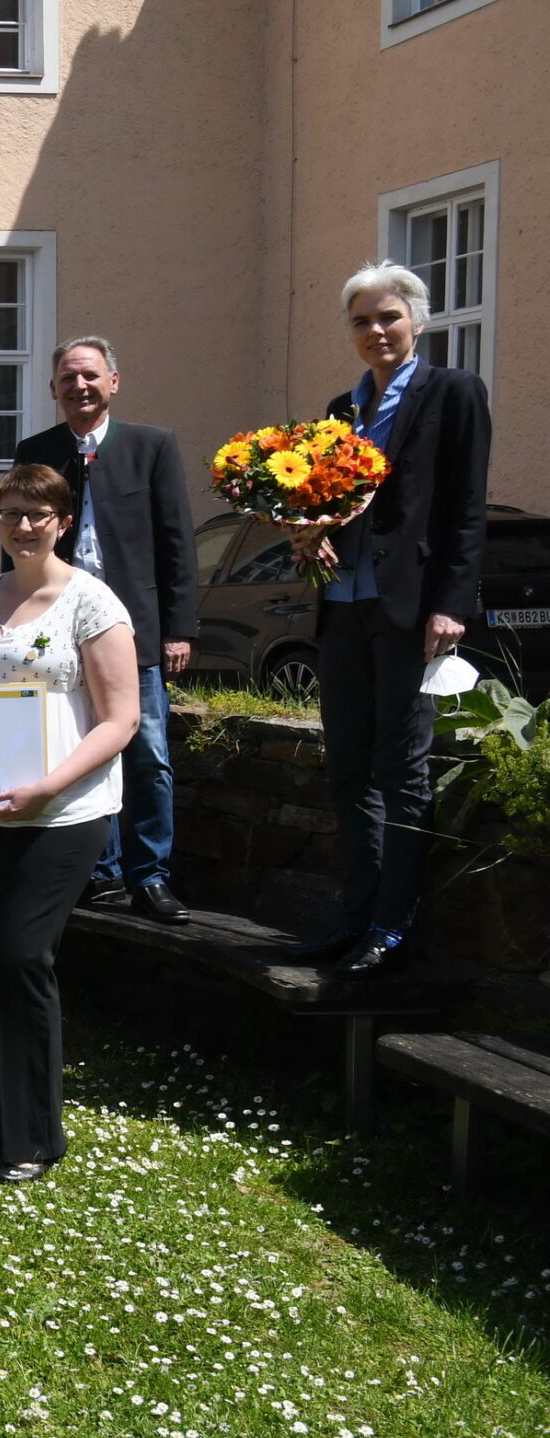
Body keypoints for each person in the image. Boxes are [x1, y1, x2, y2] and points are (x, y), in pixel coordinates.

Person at [0, 464, 140, 1184]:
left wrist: (49, 786)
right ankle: (2, 1119)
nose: (22, 526)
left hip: (64, 810)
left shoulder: (92, 603)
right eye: (10, 513)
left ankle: (38, 1136)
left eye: (36, 514)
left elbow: (121, 719)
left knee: (21, 957)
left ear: (62, 520)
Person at [286, 262, 493, 978]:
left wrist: (452, 604)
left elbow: (467, 507)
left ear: (418, 321)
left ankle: (394, 925)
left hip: (411, 607)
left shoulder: (454, 393)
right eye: (362, 320)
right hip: (343, 605)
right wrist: (305, 530)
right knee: (347, 769)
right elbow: (326, 505)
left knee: (401, 768)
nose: (376, 330)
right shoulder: (339, 410)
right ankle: (356, 915)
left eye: (389, 317)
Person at [12, 337, 199, 925]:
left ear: (113, 382)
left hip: (134, 630)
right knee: (76, 748)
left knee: (148, 754)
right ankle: (103, 872)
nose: (80, 387)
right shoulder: (35, 450)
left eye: (90, 376)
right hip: (60, 629)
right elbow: (18, 538)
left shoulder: (152, 445)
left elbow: (177, 542)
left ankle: (151, 876)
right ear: (53, 389)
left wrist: (179, 629)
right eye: (68, 379)